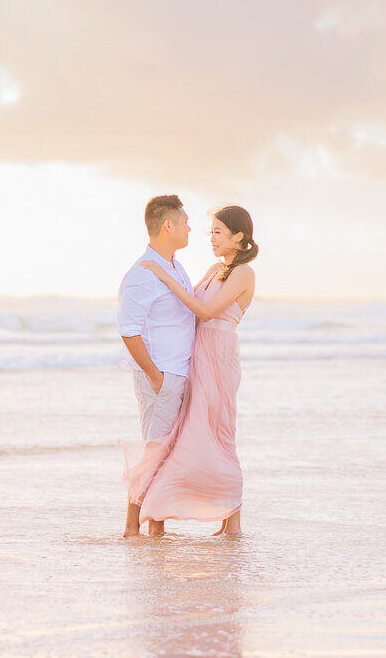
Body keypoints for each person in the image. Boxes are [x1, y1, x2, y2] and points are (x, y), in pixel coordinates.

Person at [126, 205, 258, 536]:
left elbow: (206, 310)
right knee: (191, 435)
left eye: (217, 232)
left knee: (219, 433)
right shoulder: (217, 268)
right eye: (209, 232)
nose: (211, 239)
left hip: (219, 359)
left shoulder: (244, 273)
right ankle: (166, 515)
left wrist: (165, 275)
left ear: (238, 236)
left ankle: (233, 521)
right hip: (197, 357)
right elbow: (188, 310)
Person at [118, 195, 195, 538]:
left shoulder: (175, 268)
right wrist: (155, 376)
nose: (189, 227)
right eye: (185, 221)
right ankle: (132, 527)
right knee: (154, 453)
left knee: (167, 456)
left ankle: (156, 529)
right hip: (161, 377)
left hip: (179, 374)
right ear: (169, 225)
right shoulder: (141, 275)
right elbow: (129, 330)